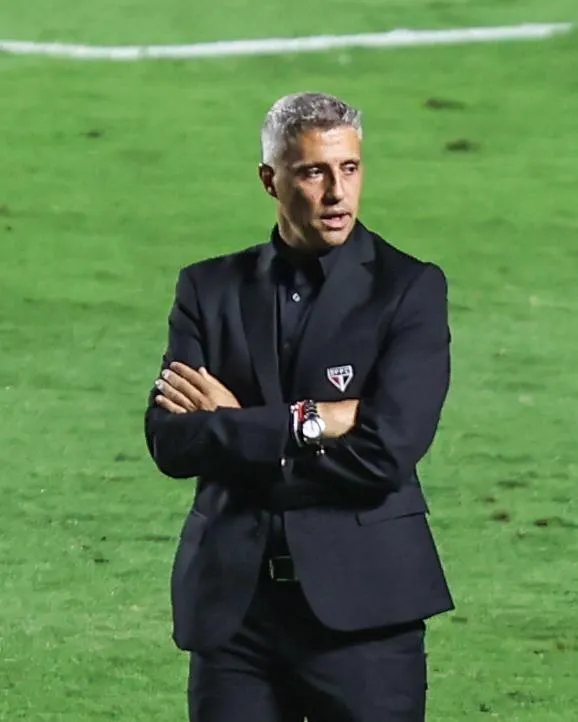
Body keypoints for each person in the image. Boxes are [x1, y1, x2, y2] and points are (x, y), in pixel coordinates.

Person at [144, 91, 454, 722]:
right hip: (236, 617)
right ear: (270, 180)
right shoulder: (208, 288)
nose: (337, 193)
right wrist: (312, 421)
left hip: (365, 615)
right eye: (314, 172)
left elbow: (384, 455)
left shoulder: (409, 289)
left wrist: (234, 428)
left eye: (349, 168)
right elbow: (171, 443)